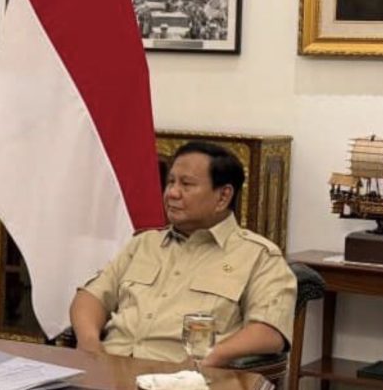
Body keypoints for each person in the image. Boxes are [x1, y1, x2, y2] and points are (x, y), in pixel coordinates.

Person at [69, 141, 295, 367]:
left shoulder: (259, 256)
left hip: (183, 378)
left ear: (223, 196)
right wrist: (89, 342)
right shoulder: (144, 243)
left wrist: (215, 355)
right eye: (170, 182)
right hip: (110, 373)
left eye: (186, 184)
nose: (172, 193)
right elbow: (91, 297)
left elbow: (269, 331)